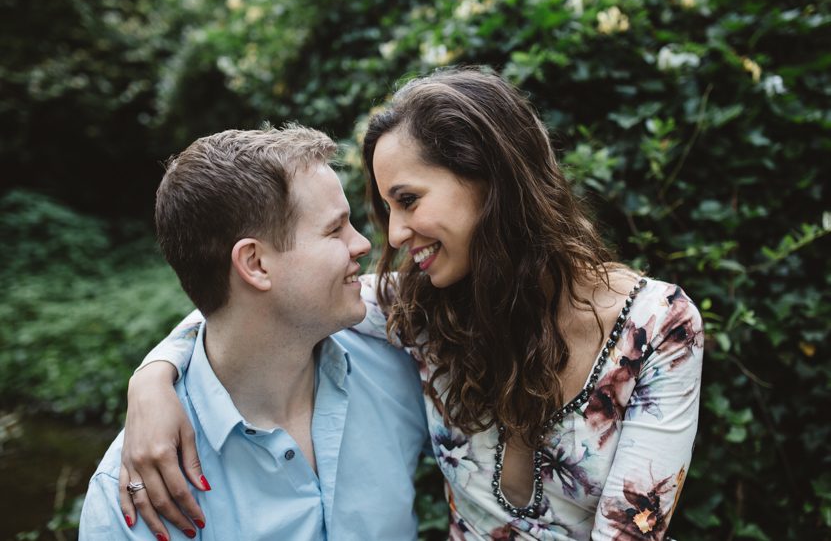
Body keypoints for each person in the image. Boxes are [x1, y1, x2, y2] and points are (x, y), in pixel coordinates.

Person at [122, 68, 704, 540]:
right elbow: (248, 303)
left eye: (408, 199)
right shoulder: (426, 311)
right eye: (388, 207)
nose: (395, 234)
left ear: (489, 179)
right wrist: (153, 378)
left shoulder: (658, 328)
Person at [79, 126, 429, 541]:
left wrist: (152, 371)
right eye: (335, 230)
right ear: (255, 264)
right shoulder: (134, 495)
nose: (363, 244)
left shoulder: (397, 357)